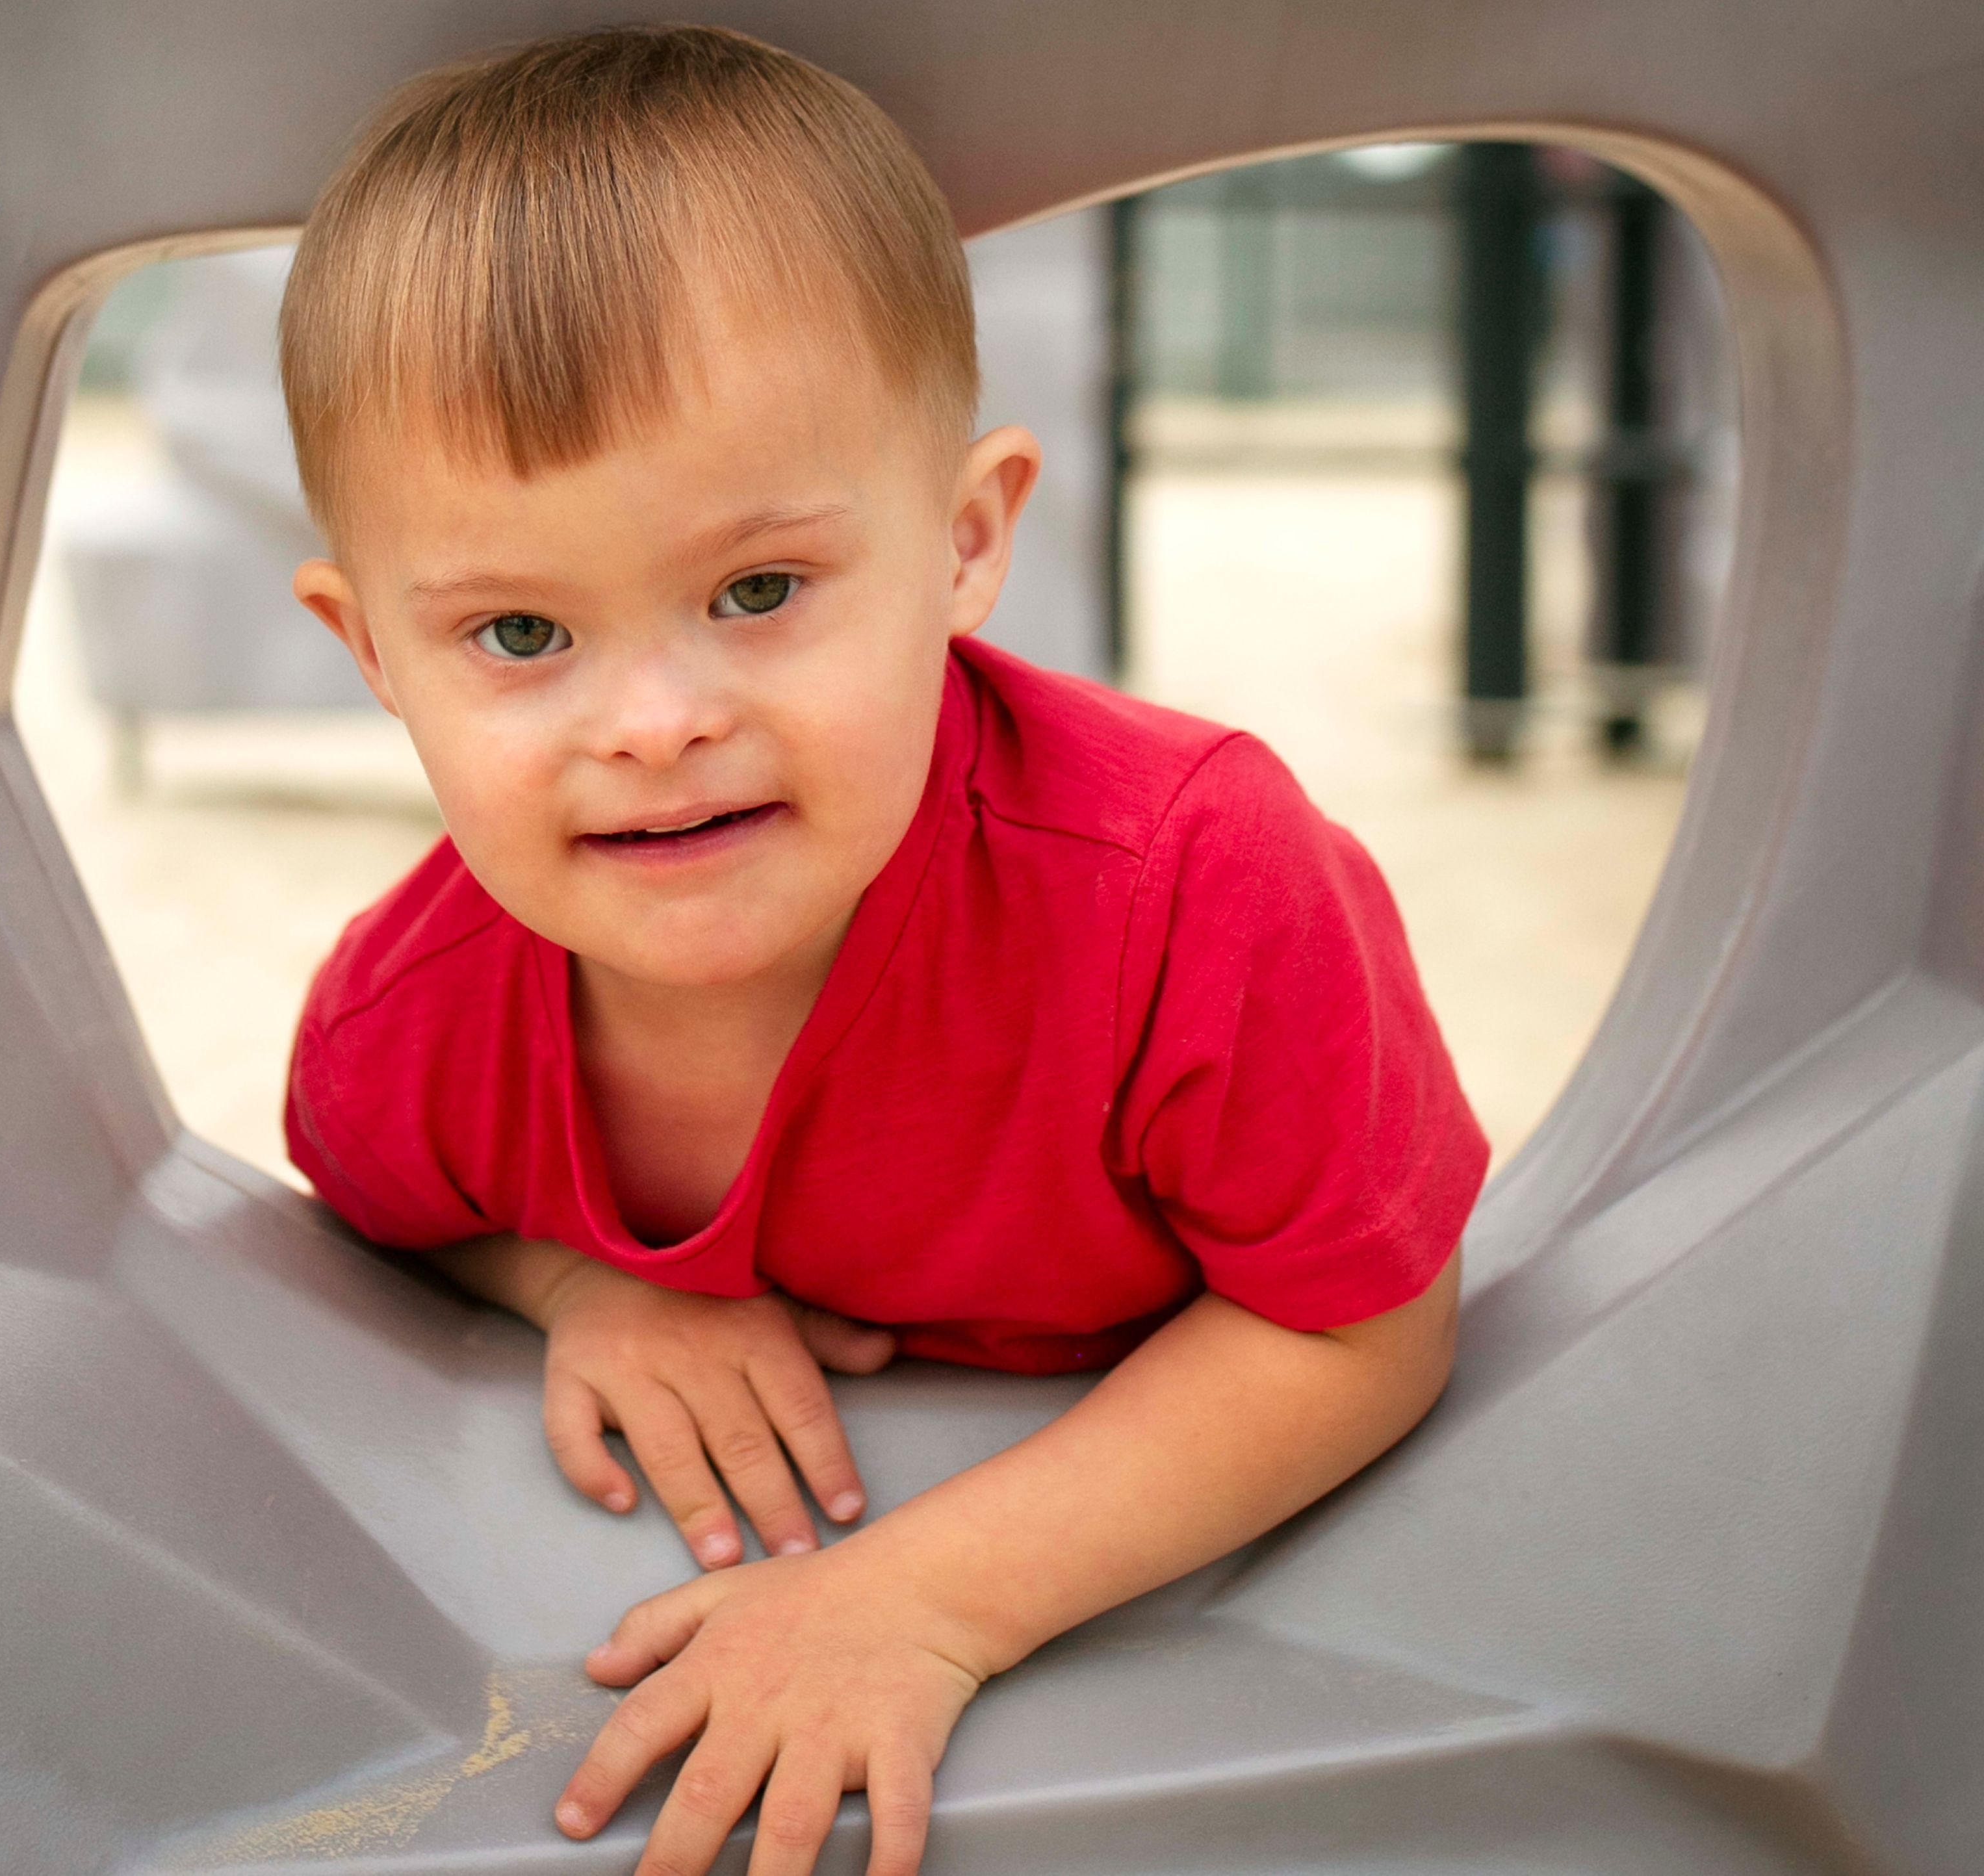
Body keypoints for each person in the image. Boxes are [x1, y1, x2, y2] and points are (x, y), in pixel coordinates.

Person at [277, 25, 1486, 1876]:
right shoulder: (405, 1027)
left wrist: (923, 1599)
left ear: (968, 539)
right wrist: (581, 1290)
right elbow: (384, 1215)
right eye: (519, 634)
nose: (656, 723)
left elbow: (1366, 1316)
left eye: (758, 590)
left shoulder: (1188, 883)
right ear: (373, 653)